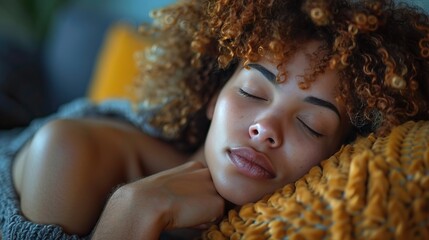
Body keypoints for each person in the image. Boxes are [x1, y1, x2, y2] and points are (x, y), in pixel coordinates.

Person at [1, 0, 428, 239]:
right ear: (211, 98)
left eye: (311, 125)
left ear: (341, 152)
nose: (263, 129)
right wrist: (128, 214)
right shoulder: (68, 151)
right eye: (252, 92)